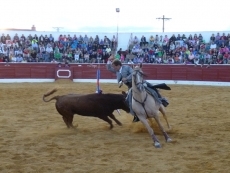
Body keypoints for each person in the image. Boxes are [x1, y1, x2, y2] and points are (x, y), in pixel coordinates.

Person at [106, 55, 170, 122]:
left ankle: (161, 100)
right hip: (131, 87)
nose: (113, 68)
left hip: (139, 83)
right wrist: (108, 60)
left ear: (118, 66)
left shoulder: (126, 68)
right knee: (128, 101)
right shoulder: (117, 70)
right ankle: (136, 115)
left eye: (113, 66)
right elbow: (109, 68)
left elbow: (134, 73)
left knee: (152, 89)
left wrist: (126, 78)